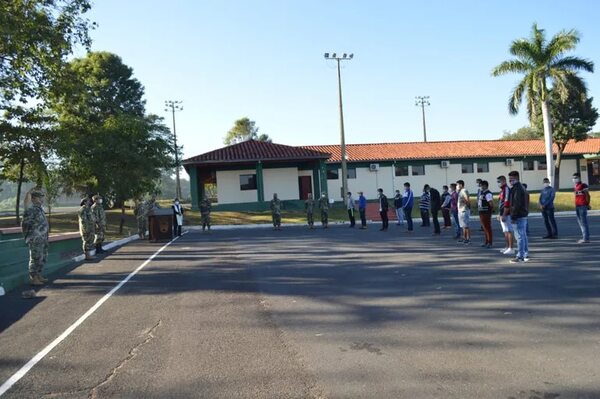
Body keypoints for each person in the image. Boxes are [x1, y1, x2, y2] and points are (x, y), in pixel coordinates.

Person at [21, 189, 49, 286]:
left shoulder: (39, 209)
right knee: (35, 257)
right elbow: (25, 224)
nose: (42, 199)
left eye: (42, 197)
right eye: (39, 197)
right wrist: (29, 236)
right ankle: (33, 278)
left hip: (42, 238)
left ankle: (38, 275)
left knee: (42, 257)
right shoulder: (31, 209)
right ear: (33, 199)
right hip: (35, 238)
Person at [508, 171, 529, 262]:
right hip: (523, 214)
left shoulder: (517, 189)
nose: (510, 181)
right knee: (523, 235)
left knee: (519, 236)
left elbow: (516, 204)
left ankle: (520, 256)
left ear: (516, 178)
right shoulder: (522, 187)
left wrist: (513, 216)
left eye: (511, 179)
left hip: (518, 215)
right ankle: (524, 253)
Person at [497, 175, 515, 256]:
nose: (498, 183)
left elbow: (507, 202)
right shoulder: (502, 190)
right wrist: (499, 214)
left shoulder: (506, 189)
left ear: (504, 181)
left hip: (506, 214)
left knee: (509, 231)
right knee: (505, 231)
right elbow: (501, 203)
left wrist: (504, 214)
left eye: (499, 181)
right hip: (502, 213)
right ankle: (507, 246)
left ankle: (511, 248)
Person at [573, 172, 591, 243]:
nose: (574, 179)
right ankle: (585, 236)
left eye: (576, 177)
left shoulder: (583, 185)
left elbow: (588, 195)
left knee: (583, 222)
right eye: (573, 178)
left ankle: (586, 238)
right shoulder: (575, 187)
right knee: (580, 222)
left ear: (579, 178)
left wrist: (587, 204)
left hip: (582, 206)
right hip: (577, 206)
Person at [478, 180, 494, 248]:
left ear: (485, 185)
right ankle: (486, 241)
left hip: (486, 212)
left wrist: (491, 210)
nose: (480, 187)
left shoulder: (488, 193)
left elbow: (491, 203)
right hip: (482, 212)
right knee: (484, 228)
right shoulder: (482, 192)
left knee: (487, 228)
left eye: (481, 185)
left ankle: (490, 242)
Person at [456, 180, 471, 245]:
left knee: (466, 225)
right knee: (462, 226)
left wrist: (467, 207)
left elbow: (467, 199)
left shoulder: (464, 190)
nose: (456, 186)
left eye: (457, 185)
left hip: (464, 210)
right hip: (461, 210)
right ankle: (464, 238)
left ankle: (468, 239)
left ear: (461, 185)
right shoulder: (460, 191)